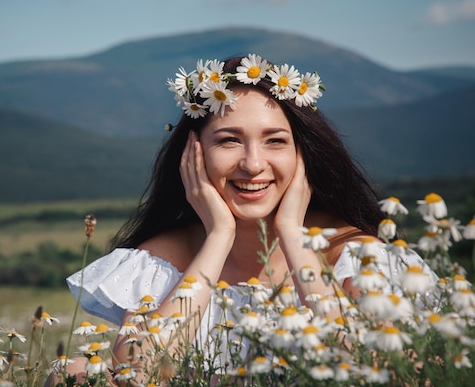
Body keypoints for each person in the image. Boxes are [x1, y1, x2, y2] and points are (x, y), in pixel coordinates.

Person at [61, 54, 434, 384]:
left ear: (303, 154)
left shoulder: (354, 255)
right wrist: (218, 237)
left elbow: (371, 367)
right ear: (195, 153)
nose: (253, 165)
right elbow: (136, 372)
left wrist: (292, 235)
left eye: (275, 141)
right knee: (73, 374)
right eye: (229, 140)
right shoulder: (162, 260)